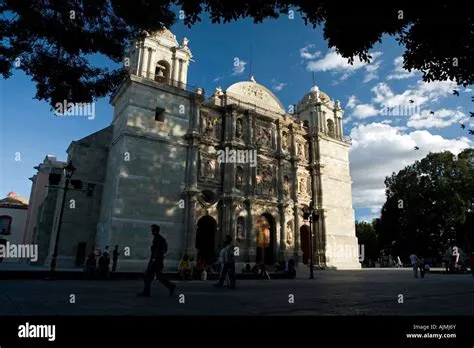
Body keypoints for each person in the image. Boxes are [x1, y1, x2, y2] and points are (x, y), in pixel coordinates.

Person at [138, 224, 176, 297]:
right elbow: (163, 250)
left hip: (156, 261)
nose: (151, 231)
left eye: (152, 229)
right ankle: (170, 286)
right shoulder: (160, 238)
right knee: (158, 276)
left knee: (148, 276)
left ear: (155, 230)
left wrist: (151, 261)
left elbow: (155, 252)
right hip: (158, 260)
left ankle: (147, 292)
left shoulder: (157, 239)